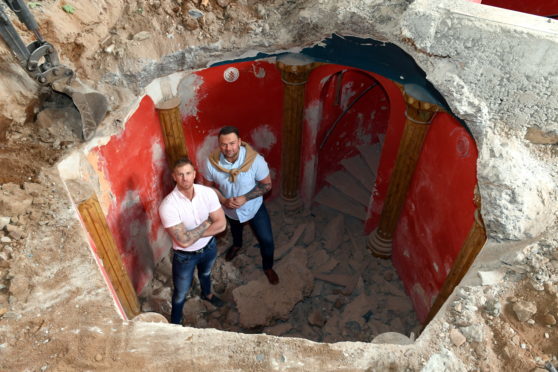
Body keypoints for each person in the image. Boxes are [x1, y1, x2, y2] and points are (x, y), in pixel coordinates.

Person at [205, 126, 279, 285]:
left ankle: (268, 267)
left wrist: (246, 198)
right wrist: (224, 200)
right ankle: (237, 245)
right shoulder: (212, 163)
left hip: (254, 208)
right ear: (219, 144)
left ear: (239, 141)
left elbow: (267, 185)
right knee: (235, 232)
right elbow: (208, 188)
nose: (228, 148)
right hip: (230, 210)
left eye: (232, 143)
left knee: (267, 240)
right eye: (224, 144)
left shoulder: (255, 161)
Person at [159, 157, 226, 325]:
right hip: (185, 256)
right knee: (181, 292)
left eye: (188, 173)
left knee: (205, 274)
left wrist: (191, 235)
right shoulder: (168, 205)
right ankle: (175, 321)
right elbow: (184, 242)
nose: (185, 178)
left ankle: (207, 295)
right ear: (174, 176)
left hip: (209, 247)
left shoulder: (207, 193)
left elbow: (222, 225)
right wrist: (207, 222)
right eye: (180, 174)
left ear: (194, 174)